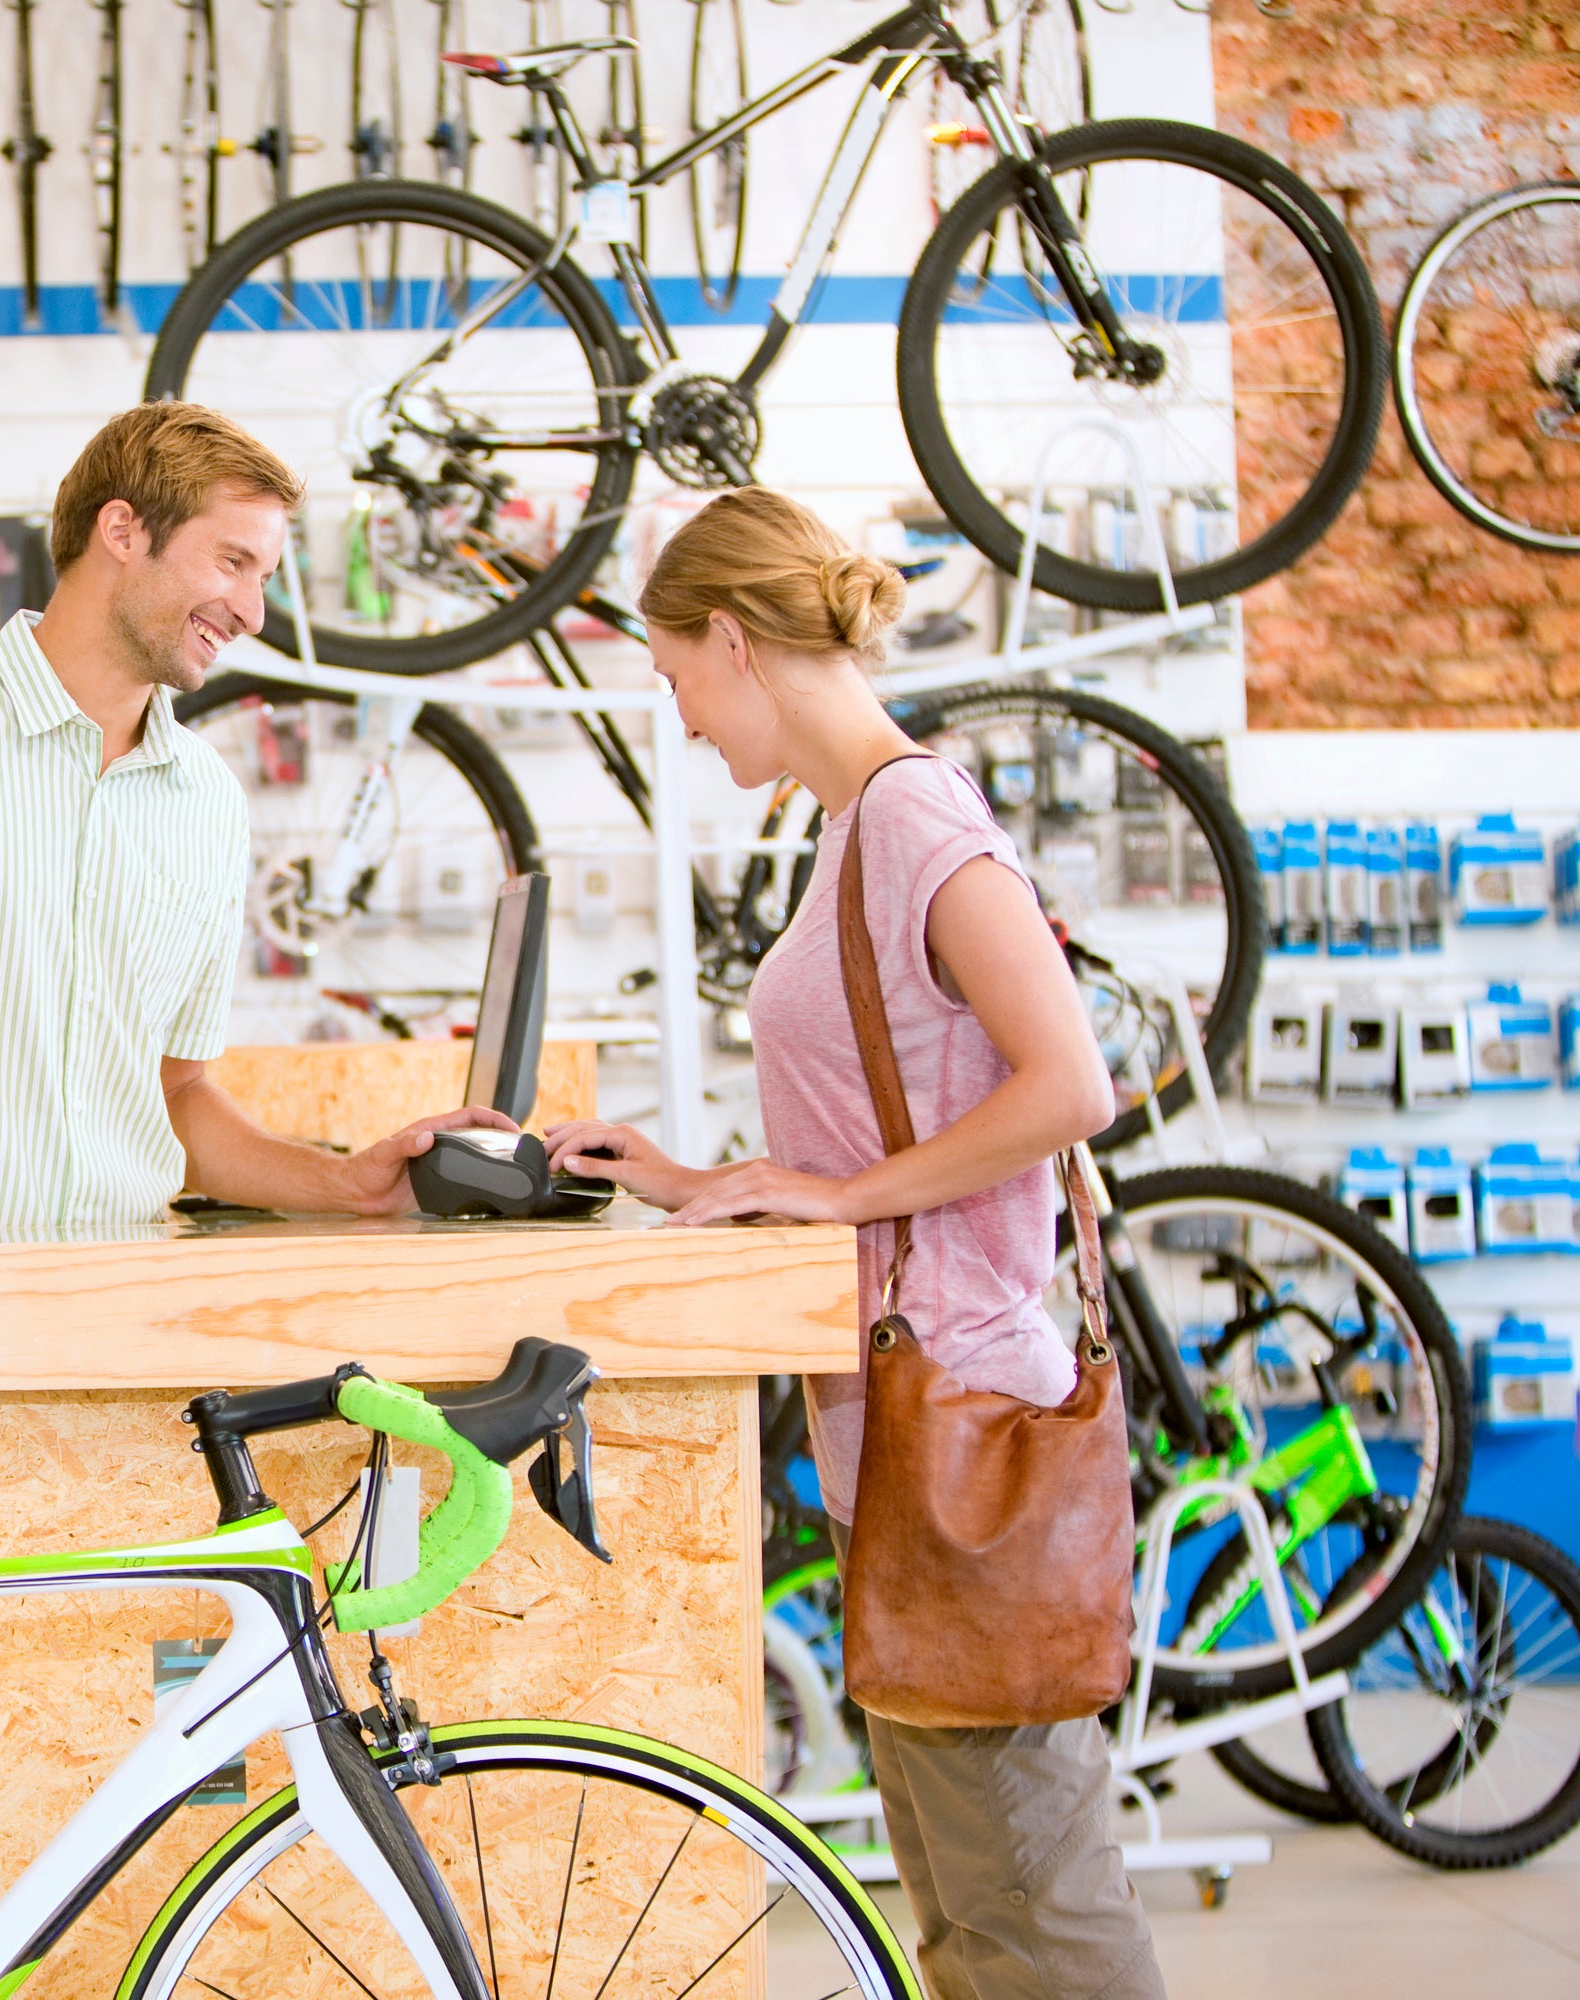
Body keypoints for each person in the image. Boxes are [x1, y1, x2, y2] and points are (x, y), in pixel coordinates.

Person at [545, 487, 1165, 2000]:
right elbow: (884, 1112)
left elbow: (1067, 1083)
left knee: (1032, 1899)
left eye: (674, 674)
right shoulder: (848, 832)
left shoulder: (915, 816)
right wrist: (709, 1178)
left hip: (965, 1414)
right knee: (963, 1910)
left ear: (735, 640)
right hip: (896, 1427)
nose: (680, 718)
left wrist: (843, 1198)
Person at [0, 402, 511, 1244]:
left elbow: (173, 1094)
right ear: (122, 530)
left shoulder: (207, 799)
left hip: (126, 1307)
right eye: (233, 561)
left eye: (263, 577)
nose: (252, 612)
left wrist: (351, 1184)